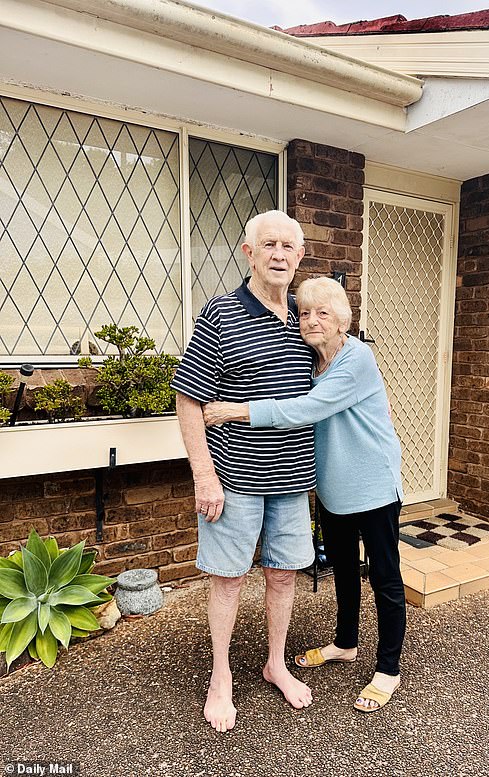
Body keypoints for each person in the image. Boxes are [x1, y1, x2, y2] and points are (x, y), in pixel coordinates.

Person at [203, 277, 406, 713]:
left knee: (386, 578)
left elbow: (305, 411)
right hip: (332, 489)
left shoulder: (356, 358)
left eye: (323, 313)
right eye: (305, 313)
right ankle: (346, 644)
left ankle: (388, 669)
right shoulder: (312, 361)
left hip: (372, 486)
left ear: (343, 321)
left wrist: (239, 410)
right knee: (345, 571)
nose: (311, 320)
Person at [171, 210, 316, 733]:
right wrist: (203, 477)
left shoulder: (308, 316)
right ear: (248, 252)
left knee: (282, 575)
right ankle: (220, 676)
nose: (280, 254)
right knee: (228, 580)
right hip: (235, 480)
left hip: (294, 482)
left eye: (289, 247)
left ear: (300, 257)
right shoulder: (222, 313)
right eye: (269, 244)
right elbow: (189, 402)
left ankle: (275, 662)